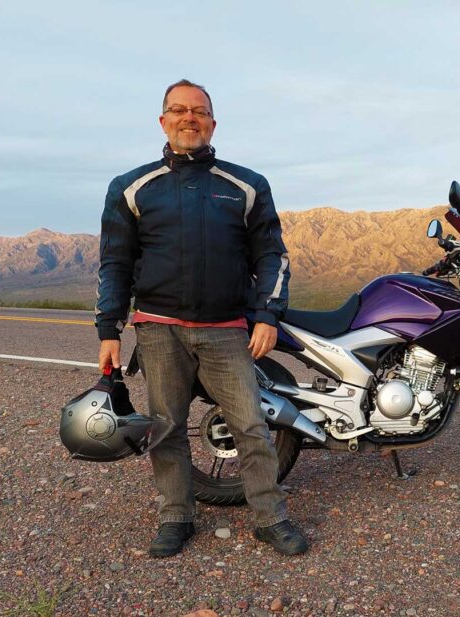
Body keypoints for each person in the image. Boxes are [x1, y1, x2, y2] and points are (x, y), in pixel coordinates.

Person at [95, 78, 308, 557]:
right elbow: (115, 263)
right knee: (166, 427)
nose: (189, 118)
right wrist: (108, 328)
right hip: (157, 328)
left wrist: (267, 314)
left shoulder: (247, 185)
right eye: (178, 110)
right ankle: (176, 516)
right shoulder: (131, 187)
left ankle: (270, 517)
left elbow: (272, 255)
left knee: (252, 425)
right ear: (163, 120)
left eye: (199, 111)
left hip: (227, 329)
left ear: (213, 122)